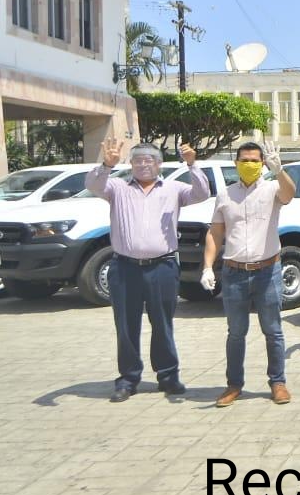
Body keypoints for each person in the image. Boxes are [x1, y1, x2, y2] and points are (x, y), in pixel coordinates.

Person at [86, 139, 210, 402]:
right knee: (126, 325)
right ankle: (128, 379)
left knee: (163, 323)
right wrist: (106, 165)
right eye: (138, 160)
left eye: (149, 160)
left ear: (159, 164)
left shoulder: (174, 189)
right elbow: (93, 186)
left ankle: (168, 376)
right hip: (124, 268)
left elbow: (201, 194)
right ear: (130, 164)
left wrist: (192, 164)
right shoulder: (117, 187)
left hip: (162, 267)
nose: (143, 164)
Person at [201, 140, 296, 407]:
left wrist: (279, 171)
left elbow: (290, 194)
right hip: (234, 272)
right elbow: (215, 232)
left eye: (255, 161)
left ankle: (278, 382)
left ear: (263, 163)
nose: (250, 165)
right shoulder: (225, 195)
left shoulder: (272, 189)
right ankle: (234, 385)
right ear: (236, 163)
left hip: (267, 271)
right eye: (245, 160)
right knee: (236, 332)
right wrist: (207, 266)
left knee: (273, 330)